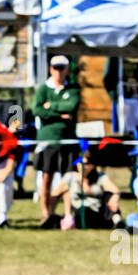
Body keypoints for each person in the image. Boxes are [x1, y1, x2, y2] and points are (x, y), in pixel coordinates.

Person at [33, 56, 80, 228]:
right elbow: (37, 110)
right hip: (47, 140)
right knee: (46, 177)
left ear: (67, 69)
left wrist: (50, 107)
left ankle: (68, 215)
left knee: (68, 178)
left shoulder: (73, 89)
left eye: (62, 68)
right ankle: (46, 213)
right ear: (51, 69)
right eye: (55, 68)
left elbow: (72, 106)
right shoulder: (43, 89)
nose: (58, 71)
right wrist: (60, 112)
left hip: (67, 140)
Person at [52, 163, 123, 230]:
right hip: (80, 212)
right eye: (80, 163)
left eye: (86, 164)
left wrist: (114, 198)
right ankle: (112, 221)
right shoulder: (71, 176)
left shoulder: (100, 177)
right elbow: (55, 194)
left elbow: (115, 190)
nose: (83, 166)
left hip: (97, 210)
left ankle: (117, 220)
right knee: (68, 193)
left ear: (92, 166)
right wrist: (51, 211)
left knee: (109, 194)